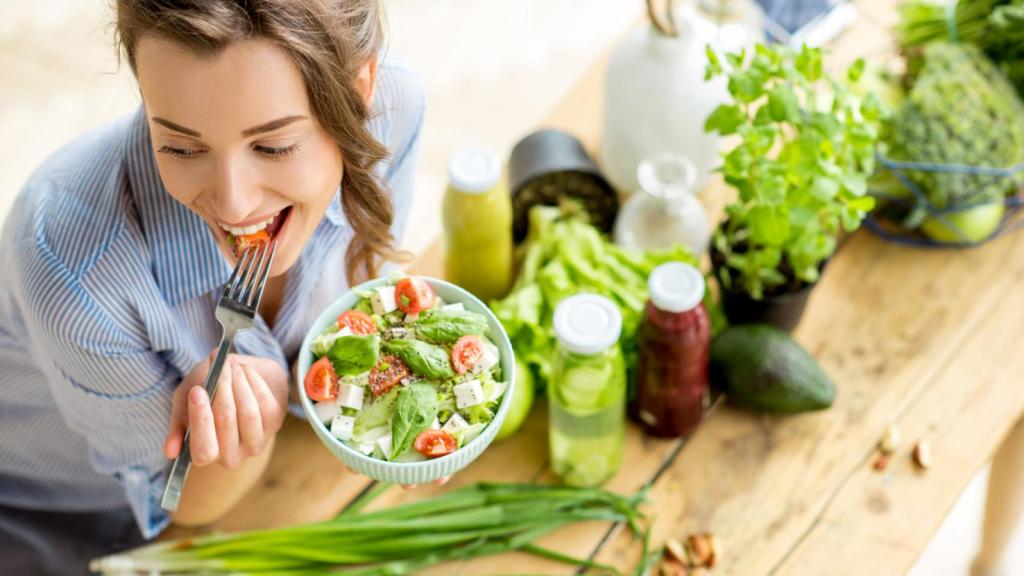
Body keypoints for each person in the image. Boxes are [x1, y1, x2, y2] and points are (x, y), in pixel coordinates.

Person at [0, 0, 424, 572]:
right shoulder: (69, 267)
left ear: (361, 91)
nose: (233, 203)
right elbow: (179, 504)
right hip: (54, 519)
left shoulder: (394, 109)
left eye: (273, 146)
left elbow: (362, 306)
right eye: (181, 146)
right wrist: (239, 422)